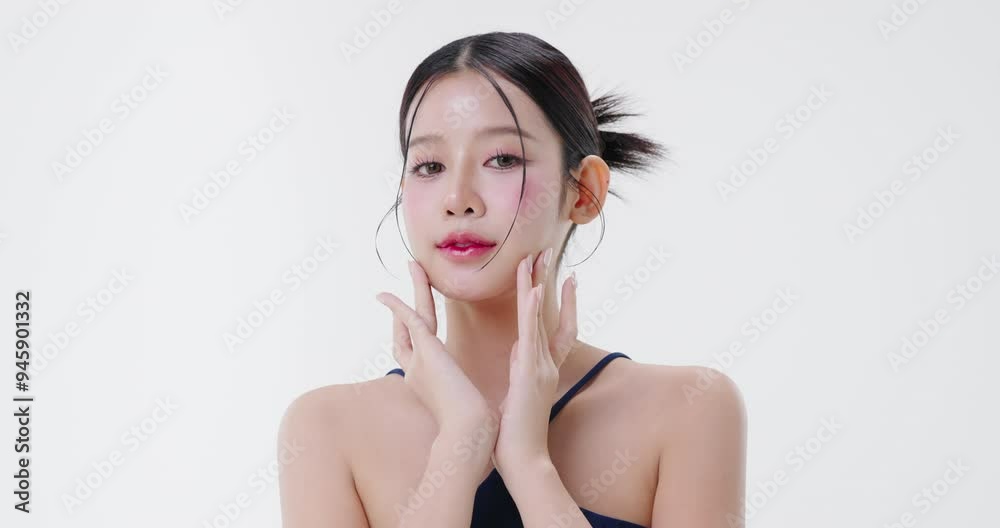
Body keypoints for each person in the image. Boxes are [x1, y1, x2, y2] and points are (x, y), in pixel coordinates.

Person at [278, 31, 746, 528]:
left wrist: (528, 464)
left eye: (502, 159)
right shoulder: (326, 428)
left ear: (584, 192)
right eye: (430, 166)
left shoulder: (689, 409)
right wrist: (459, 444)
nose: (458, 199)